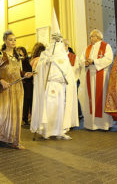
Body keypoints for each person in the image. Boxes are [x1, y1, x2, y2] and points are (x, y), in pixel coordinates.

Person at [31, 11, 79, 140]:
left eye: (59, 41)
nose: (57, 44)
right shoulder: (46, 54)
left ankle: (59, 131)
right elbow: (39, 70)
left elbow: (69, 73)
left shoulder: (64, 56)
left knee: (60, 110)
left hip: (61, 86)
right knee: (49, 109)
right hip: (49, 85)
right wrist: (46, 62)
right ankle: (47, 131)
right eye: (55, 41)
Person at [78, 29, 114, 131]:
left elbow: (109, 59)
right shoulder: (88, 48)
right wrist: (85, 63)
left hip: (101, 76)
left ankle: (104, 124)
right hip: (90, 75)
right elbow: (81, 60)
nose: (90, 38)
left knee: (101, 99)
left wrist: (94, 61)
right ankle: (91, 124)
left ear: (97, 37)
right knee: (91, 99)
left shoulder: (106, 46)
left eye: (91, 36)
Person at [17, 46, 33, 126]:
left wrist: (24, 75)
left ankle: (26, 119)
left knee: (27, 102)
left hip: (27, 84)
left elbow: (30, 72)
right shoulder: (18, 61)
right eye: (18, 51)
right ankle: (25, 118)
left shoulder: (25, 61)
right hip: (23, 84)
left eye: (20, 51)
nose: (19, 53)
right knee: (25, 102)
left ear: (24, 53)